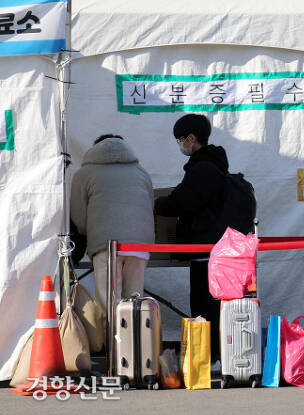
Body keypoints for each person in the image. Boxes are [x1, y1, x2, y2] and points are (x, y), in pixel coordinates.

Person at [154, 113, 229, 363]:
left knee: (204, 305)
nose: (180, 144)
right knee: (212, 305)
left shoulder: (203, 168)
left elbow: (183, 202)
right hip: (214, 248)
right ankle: (213, 355)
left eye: (181, 139)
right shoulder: (214, 165)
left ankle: (207, 358)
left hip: (205, 250)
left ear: (192, 138)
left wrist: (159, 204)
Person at [70, 134, 154, 310]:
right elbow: (149, 205)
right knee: (134, 301)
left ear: (94, 149)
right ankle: (134, 337)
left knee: (109, 302)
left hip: (105, 244)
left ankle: (111, 337)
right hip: (140, 244)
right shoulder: (141, 172)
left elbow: (78, 214)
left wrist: (87, 230)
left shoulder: (85, 173)